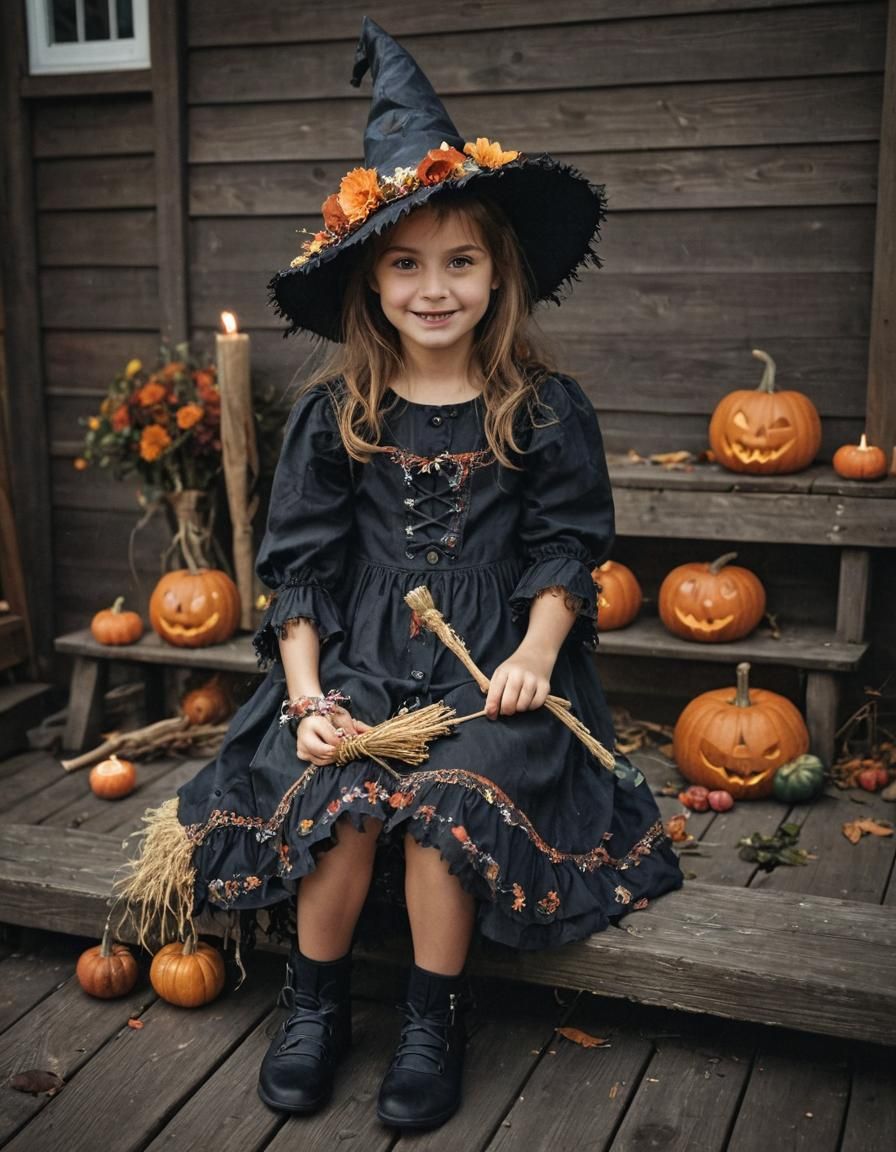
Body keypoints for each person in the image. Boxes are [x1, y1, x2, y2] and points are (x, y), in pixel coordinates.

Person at [123, 17, 683, 1133]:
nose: (435, 287)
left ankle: (433, 1017)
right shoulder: (340, 417)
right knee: (341, 789)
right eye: (406, 263)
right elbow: (298, 571)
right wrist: (305, 693)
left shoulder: (542, 407)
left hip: (491, 673)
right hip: (360, 666)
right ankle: (314, 1003)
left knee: (437, 796)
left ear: (495, 272)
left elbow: (565, 550)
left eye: (460, 261)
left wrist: (530, 657)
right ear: (371, 282)